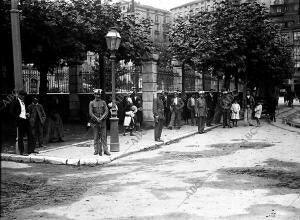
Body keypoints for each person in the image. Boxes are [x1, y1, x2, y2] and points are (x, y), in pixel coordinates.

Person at [89, 89, 110, 156]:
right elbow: (91, 113)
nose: (98, 96)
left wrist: (101, 118)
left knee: (104, 136)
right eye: (96, 94)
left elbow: (106, 111)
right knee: (95, 136)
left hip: (103, 121)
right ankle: (96, 150)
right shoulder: (91, 103)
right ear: (94, 95)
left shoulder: (103, 102)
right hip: (95, 122)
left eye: (99, 94)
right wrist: (96, 118)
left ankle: (106, 150)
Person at [9, 90, 31, 155]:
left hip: (25, 120)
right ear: (19, 95)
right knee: (20, 137)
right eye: (22, 96)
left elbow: (25, 110)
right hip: (20, 121)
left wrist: (27, 114)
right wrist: (18, 117)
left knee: (30, 134)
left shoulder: (24, 102)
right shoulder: (15, 102)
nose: (24, 97)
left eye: (24, 96)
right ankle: (22, 151)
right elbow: (11, 112)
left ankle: (30, 150)